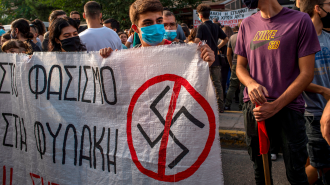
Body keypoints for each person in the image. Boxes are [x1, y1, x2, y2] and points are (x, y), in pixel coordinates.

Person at [235, 0, 320, 183]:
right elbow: (240, 67)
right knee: (260, 172)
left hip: (289, 108)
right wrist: (250, 83)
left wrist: (275, 106)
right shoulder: (247, 24)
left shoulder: (301, 20)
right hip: (255, 108)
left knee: (296, 173)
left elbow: (306, 73)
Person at [100, 0, 215, 66]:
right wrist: (108, 60)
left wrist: (206, 63)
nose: (156, 26)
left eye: (159, 21)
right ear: (135, 28)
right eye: (148, 23)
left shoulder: (181, 51)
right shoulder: (130, 57)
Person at [300, 0, 330, 184]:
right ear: (318, 9)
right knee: (322, 165)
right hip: (313, 114)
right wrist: (324, 90)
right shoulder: (299, 39)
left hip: (329, 110)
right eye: (329, 4)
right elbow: (294, 80)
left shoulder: (328, 38)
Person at [194, 4, 229, 113]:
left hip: (205, 60)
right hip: (216, 60)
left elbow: (196, 41)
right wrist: (217, 47)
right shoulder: (216, 26)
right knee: (217, 84)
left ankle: (206, 107)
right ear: (209, 14)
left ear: (200, 15)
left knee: (204, 84)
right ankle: (220, 107)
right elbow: (226, 39)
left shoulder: (201, 27)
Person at [225, 21, 244, 111]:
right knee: (244, 85)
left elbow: (228, 54)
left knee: (232, 85)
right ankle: (241, 106)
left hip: (235, 63)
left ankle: (227, 104)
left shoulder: (232, 37)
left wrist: (231, 64)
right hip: (245, 64)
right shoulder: (248, 36)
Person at [220, 26, 233, 99]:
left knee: (223, 80)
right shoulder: (233, 39)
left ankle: (223, 96)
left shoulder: (220, 41)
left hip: (223, 62)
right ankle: (236, 97)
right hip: (233, 61)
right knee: (234, 81)